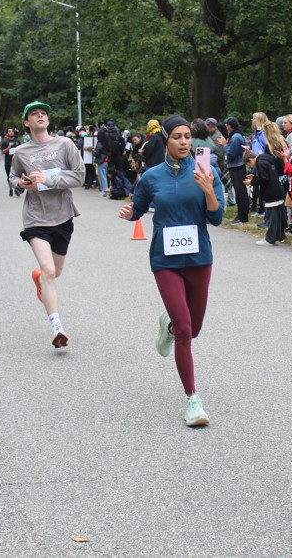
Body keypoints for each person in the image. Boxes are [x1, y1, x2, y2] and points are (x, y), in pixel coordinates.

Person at [118, 116, 224, 426]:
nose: (184, 142)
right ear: (165, 140)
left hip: (199, 258)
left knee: (194, 328)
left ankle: (168, 325)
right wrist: (129, 213)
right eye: (177, 136)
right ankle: (193, 400)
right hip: (165, 261)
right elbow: (138, 208)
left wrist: (208, 190)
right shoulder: (152, 176)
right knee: (185, 331)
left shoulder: (206, 171)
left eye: (187, 136)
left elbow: (216, 218)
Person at [9, 102, 85, 348]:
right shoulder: (21, 152)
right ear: (26, 123)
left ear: (48, 120)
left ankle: (39, 278)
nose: (40, 116)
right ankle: (57, 329)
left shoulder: (65, 144)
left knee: (55, 272)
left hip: (62, 216)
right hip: (35, 218)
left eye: (43, 113)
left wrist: (49, 179)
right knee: (49, 271)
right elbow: (13, 178)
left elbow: (80, 176)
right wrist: (22, 183)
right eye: (34, 114)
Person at [246, 124, 287, 246]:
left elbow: (264, 178)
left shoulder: (263, 159)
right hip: (278, 185)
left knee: (272, 214)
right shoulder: (269, 158)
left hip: (271, 190)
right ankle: (279, 234)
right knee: (278, 213)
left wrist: (252, 181)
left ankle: (270, 237)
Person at [222, 117, 249, 224]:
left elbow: (231, 154)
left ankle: (242, 216)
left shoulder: (236, 137)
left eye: (227, 124)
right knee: (240, 191)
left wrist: (225, 145)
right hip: (237, 166)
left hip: (237, 167)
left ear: (230, 125)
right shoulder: (236, 135)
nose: (226, 126)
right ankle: (242, 214)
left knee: (240, 192)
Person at [0, 128, 20, 196]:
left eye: (12, 131)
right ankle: (11, 188)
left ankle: (17, 188)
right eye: (9, 131)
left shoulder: (17, 141)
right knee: (9, 176)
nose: (11, 133)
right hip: (8, 161)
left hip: (16, 161)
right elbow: (2, 152)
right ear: (7, 133)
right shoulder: (5, 142)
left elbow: (20, 150)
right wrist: (9, 147)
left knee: (17, 176)